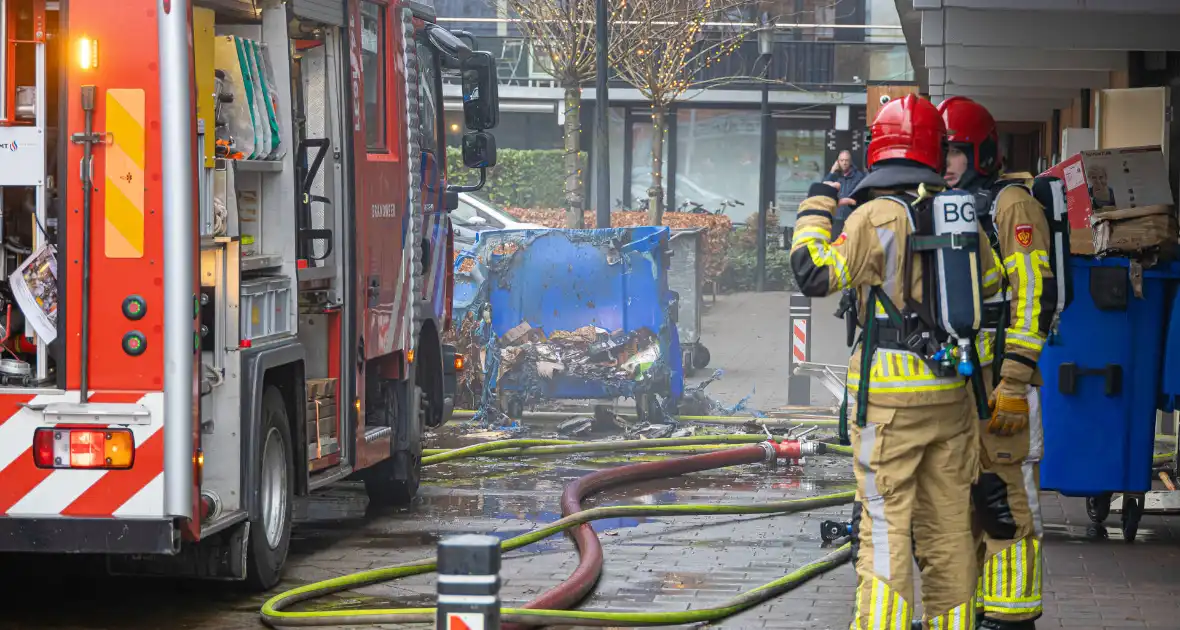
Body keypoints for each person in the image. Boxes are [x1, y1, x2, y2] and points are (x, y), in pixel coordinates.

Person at [791, 94, 993, 630]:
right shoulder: (959, 213)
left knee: (884, 530)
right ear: (934, 151)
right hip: (953, 396)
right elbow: (991, 292)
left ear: (877, 152)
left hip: (890, 407)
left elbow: (813, 273)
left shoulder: (874, 217)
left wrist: (815, 206)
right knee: (950, 531)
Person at [940, 95, 1053, 630]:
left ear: (981, 152)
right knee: (960, 505)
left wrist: (1013, 378)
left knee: (1007, 501)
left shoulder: (1012, 204)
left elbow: (1035, 298)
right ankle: (977, 612)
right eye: (940, 152)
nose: (946, 163)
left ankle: (1011, 618)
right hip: (957, 390)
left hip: (1002, 388)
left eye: (956, 152)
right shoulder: (941, 204)